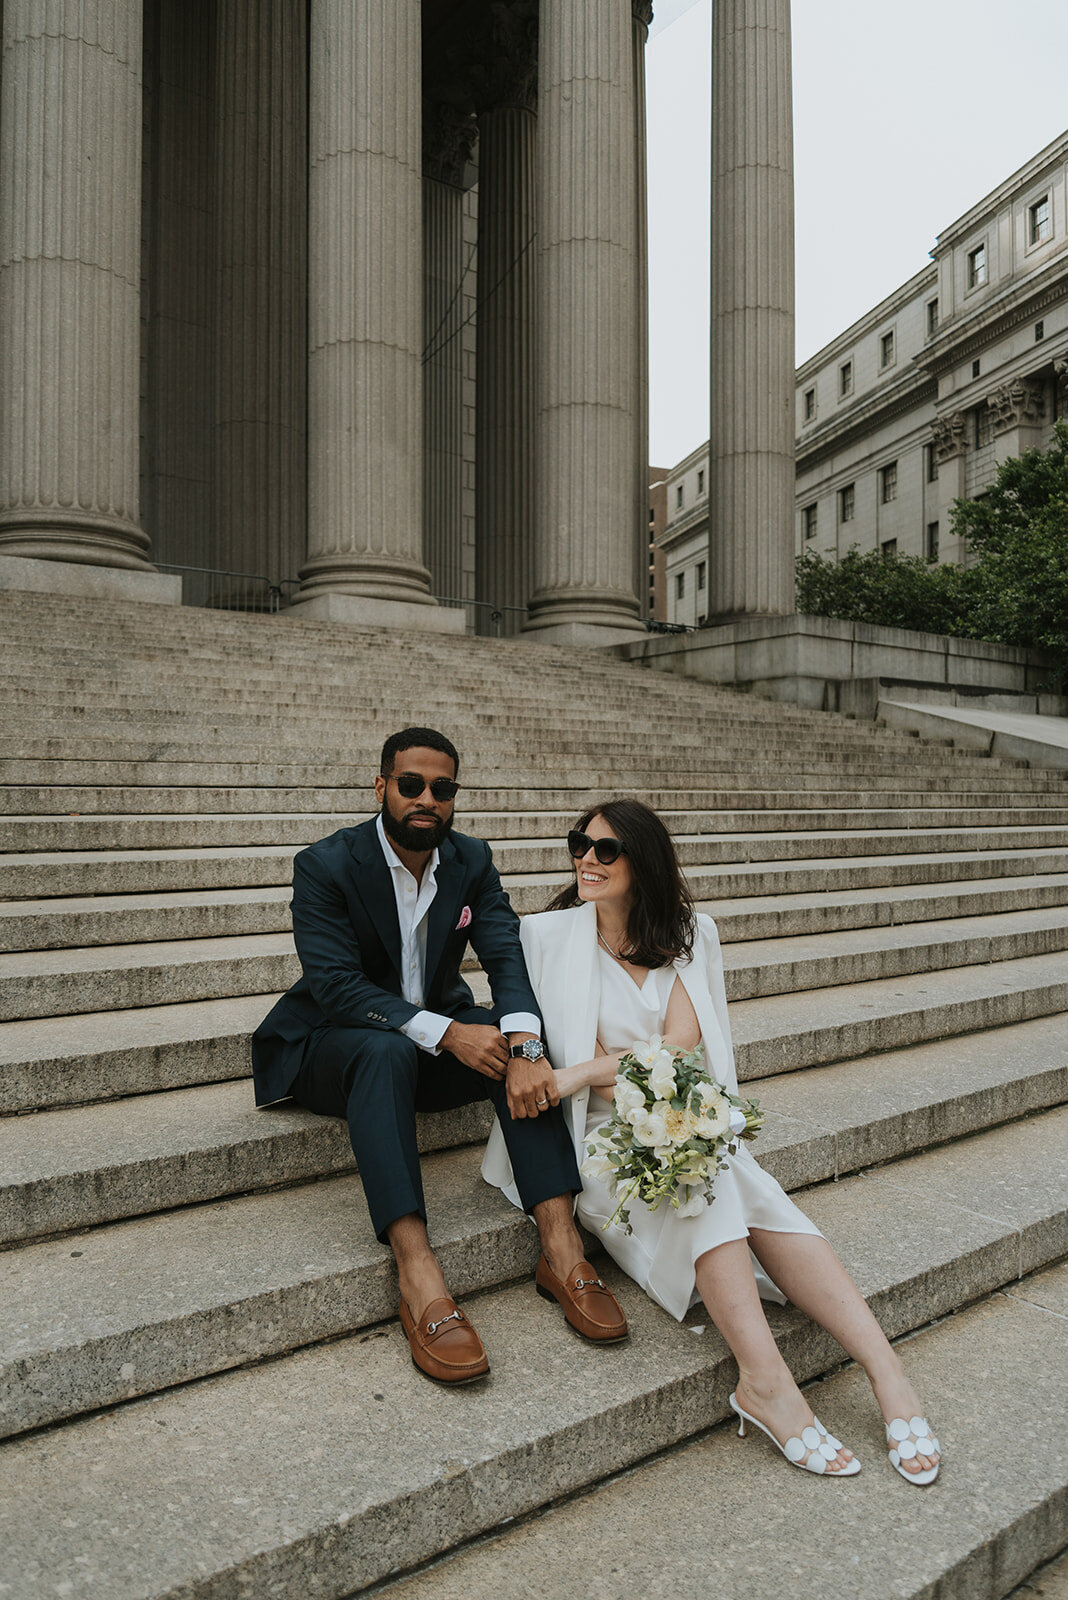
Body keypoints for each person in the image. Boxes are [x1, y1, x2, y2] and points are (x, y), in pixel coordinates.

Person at [483, 798, 941, 1483]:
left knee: (725, 1173)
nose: (586, 859)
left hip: (677, 1112)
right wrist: (599, 1075)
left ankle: (886, 1371)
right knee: (707, 1177)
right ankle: (767, 1382)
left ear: (644, 862)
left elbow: (677, 1048)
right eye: (579, 843)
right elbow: (617, 1079)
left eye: (606, 849)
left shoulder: (693, 933)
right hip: (599, 1137)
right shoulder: (547, 936)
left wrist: (580, 1070)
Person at [252, 728, 627, 1386]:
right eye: (411, 785)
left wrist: (527, 1046)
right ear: (381, 787)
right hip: (332, 1046)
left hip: (422, 1047)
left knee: (509, 1039)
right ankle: (417, 1270)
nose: (427, 799)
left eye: (443, 788)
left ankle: (561, 1245)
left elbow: (505, 954)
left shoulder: (470, 859)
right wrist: (449, 1033)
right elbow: (336, 987)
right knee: (385, 1051)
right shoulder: (326, 865)